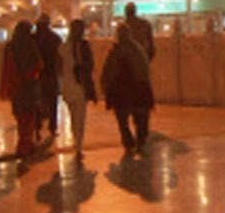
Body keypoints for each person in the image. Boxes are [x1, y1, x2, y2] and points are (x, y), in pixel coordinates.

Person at [100, 24, 154, 152]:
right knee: (140, 118)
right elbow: (144, 70)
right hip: (138, 89)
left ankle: (128, 141)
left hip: (121, 91)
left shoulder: (116, 51)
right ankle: (139, 140)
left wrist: (105, 86)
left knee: (122, 120)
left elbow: (109, 71)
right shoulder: (137, 50)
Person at [0, 20, 43, 159]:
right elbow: (39, 64)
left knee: (20, 118)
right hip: (28, 87)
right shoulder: (30, 45)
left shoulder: (10, 47)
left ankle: (22, 145)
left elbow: (6, 68)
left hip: (16, 88)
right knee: (29, 118)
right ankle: (26, 146)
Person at [59, 19, 97, 160]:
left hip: (68, 87)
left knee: (74, 117)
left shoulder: (63, 47)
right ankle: (78, 145)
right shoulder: (84, 46)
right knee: (79, 118)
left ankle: (77, 143)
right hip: (80, 86)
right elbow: (90, 66)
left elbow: (59, 68)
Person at [33, 14, 62, 137]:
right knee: (52, 102)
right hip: (51, 73)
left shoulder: (32, 38)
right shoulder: (55, 38)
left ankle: (37, 128)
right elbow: (59, 57)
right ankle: (52, 127)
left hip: (36, 75)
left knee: (37, 102)